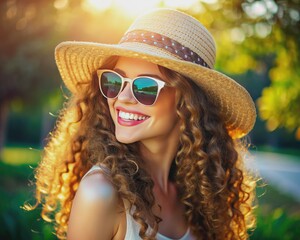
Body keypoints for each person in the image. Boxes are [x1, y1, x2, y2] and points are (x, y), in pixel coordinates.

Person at [30, 8, 257, 240]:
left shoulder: (197, 196)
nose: (122, 98)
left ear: (188, 104)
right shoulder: (101, 193)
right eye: (114, 81)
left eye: (145, 87)